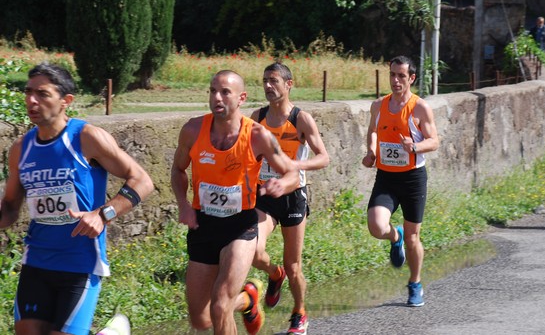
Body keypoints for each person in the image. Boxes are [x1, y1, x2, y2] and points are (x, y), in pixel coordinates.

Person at [0, 63, 154, 335]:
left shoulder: (86, 138)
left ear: (65, 101)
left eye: (43, 94)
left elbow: (142, 180)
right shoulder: (21, 149)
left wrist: (102, 214)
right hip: (37, 260)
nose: (31, 100)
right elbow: (11, 207)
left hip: (80, 263)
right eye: (28, 92)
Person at [171, 70, 299, 334]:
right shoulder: (193, 130)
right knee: (201, 319)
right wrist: (184, 205)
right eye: (212, 91)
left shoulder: (257, 135)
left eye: (225, 92)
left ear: (241, 98)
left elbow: (292, 174)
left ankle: (236, 301)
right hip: (203, 224)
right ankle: (249, 299)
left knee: (220, 305)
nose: (217, 97)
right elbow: (178, 170)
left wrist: (281, 184)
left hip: (240, 227)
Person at [250, 63, 329, 335]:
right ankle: (274, 274)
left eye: (274, 81)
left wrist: (297, 167)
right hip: (265, 195)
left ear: (288, 84)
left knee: (294, 266)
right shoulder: (257, 117)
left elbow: (323, 157)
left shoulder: (301, 119)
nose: (268, 86)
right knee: (253, 251)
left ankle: (299, 312)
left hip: (293, 196)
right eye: (265, 81)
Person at [361, 56, 439, 307]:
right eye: (392, 75)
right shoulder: (379, 105)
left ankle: (415, 283)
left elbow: (434, 141)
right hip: (386, 176)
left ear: (411, 78)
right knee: (376, 226)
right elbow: (373, 130)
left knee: (414, 238)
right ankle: (396, 237)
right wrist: (371, 151)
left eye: (401, 76)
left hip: (413, 179)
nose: (395, 80)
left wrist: (414, 146)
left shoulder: (419, 108)